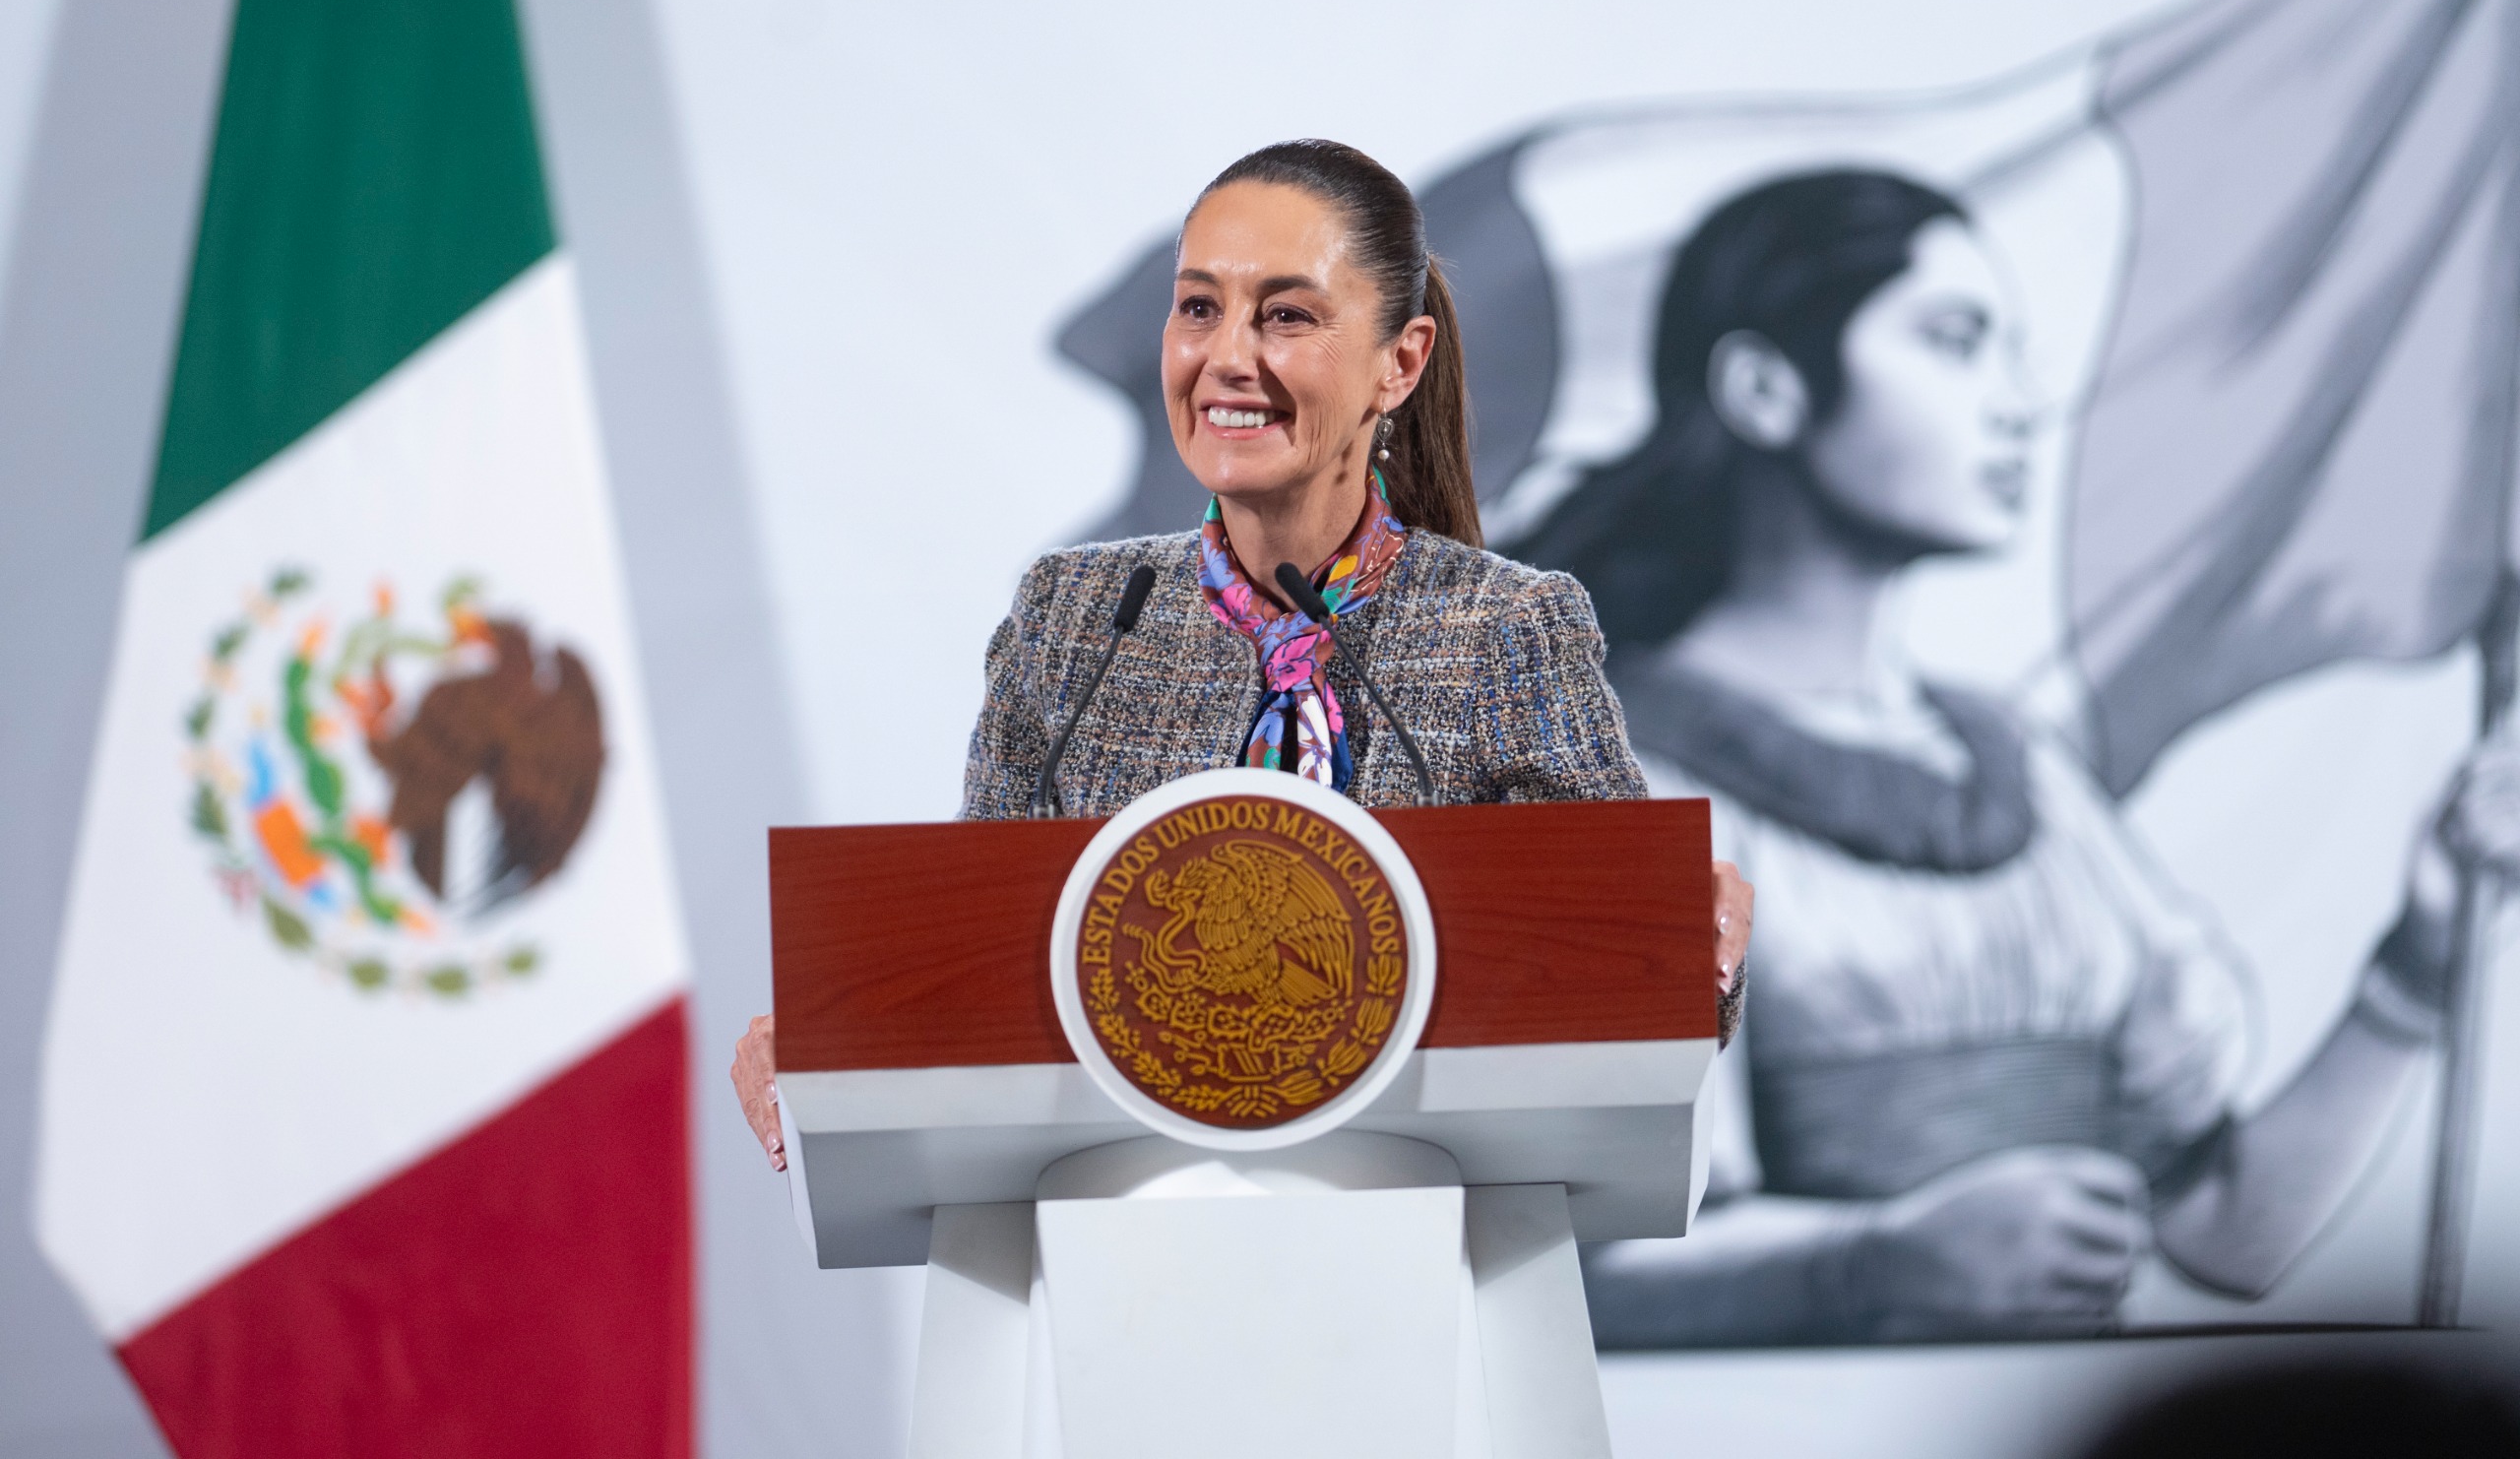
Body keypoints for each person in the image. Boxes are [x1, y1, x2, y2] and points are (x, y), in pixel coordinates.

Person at [1512, 166, 2520, 1344]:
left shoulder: (2024, 774)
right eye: (1954, 341)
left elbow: (2223, 1230)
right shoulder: (1599, 778)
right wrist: (1869, 1264)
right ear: (1765, 387)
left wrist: (2417, 961)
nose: (2015, 403)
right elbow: (1569, 1267)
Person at [729, 139, 1756, 1171]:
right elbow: (983, 965)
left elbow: (1636, 1004)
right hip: (1128, 1256)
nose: (1225, 356)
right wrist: (832, 1040)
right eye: (1197, 308)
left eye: (1286, 315)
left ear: (1398, 362)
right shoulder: (1076, 618)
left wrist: (1691, 943)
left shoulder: (1503, 627)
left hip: (1424, 1248)